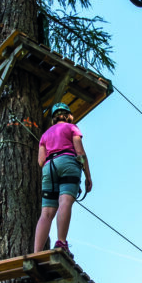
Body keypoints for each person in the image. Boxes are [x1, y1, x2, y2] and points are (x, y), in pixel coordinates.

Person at [33, 102, 92, 256]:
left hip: (49, 167)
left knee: (46, 212)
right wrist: (88, 176)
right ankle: (61, 242)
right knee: (64, 201)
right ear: (68, 115)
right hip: (67, 162)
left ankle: (37, 252)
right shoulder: (72, 128)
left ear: (54, 118)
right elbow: (80, 152)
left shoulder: (44, 135)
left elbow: (40, 161)